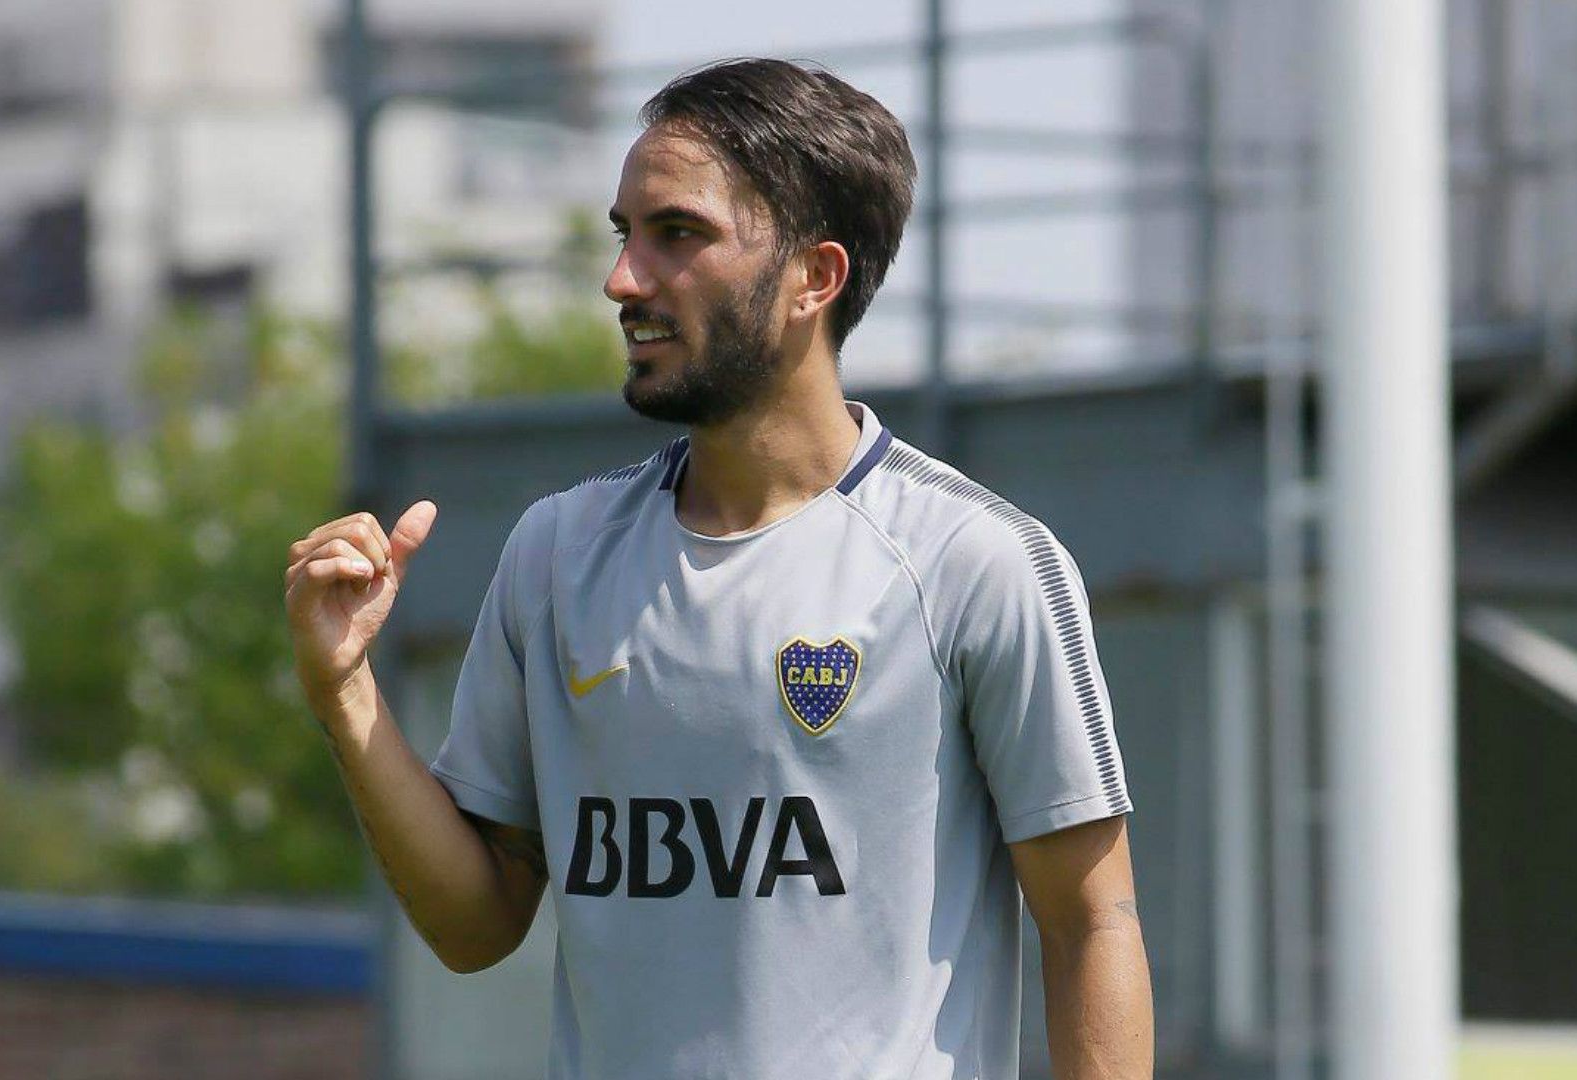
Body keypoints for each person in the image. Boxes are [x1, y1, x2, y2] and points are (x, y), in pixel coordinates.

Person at [284, 58, 1153, 1080]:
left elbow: (1093, 924)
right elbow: (476, 928)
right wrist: (344, 695)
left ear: (813, 279)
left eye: (678, 235)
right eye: (624, 235)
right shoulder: (558, 553)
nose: (624, 279)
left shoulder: (973, 561)